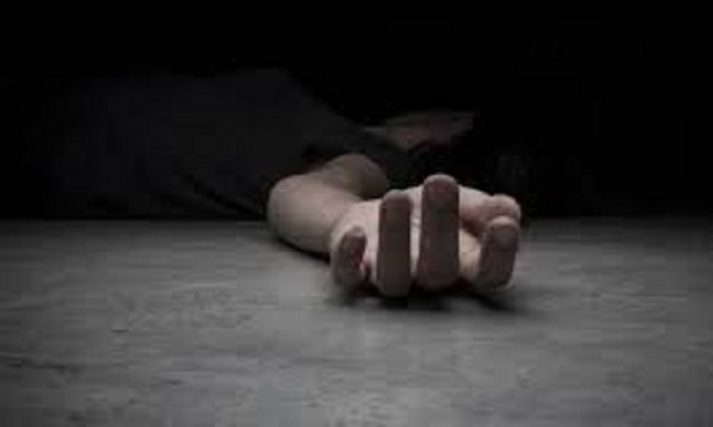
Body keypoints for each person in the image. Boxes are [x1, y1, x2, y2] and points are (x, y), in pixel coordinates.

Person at [5, 67, 522, 296]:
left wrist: (347, 217)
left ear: (445, 135)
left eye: (456, 117)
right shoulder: (321, 113)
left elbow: (303, 190)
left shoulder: (374, 156)